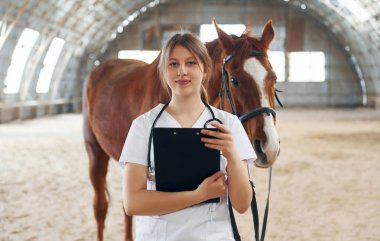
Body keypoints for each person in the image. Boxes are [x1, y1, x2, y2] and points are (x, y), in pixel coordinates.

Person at [119, 32, 256, 241]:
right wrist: (199, 195)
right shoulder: (143, 126)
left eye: (191, 63)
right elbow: (132, 203)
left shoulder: (228, 124)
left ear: (205, 69)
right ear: (163, 71)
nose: (182, 71)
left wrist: (233, 156)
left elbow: (242, 204)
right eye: (173, 64)